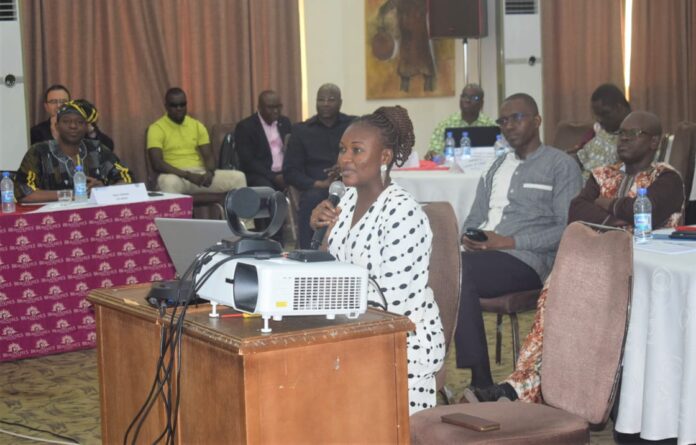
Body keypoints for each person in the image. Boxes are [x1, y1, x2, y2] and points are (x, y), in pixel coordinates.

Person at [465, 110, 684, 404]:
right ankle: (521, 385)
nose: (624, 139)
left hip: (642, 272)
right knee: (556, 292)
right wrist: (619, 216)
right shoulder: (602, 174)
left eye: (634, 134)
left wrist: (606, 204)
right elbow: (576, 211)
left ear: (654, 141)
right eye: (621, 133)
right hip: (594, 263)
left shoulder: (667, 178)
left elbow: (646, 210)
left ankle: (568, 391)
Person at [310, 106, 445, 414]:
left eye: (357, 150)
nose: (345, 159)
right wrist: (320, 232)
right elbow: (330, 268)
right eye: (342, 149)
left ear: (384, 156)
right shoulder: (346, 199)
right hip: (352, 328)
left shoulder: (402, 213)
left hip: (398, 343)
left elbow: (393, 307)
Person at [454, 93, 583, 392]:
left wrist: (508, 242)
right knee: (443, 268)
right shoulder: (494, 167)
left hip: (527, 260)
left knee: (458, 272)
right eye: (503, 120)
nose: (509, 125)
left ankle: (480, 380)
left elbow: (568, 229)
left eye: (517, 118)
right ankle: (430, 370)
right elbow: (474, 218)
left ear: (537, 120)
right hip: (482, 255)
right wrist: (469, 237)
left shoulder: (560, 165)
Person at [15, 100, 132, 203]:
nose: (73, 126)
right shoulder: (39, 151)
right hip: (53, 218)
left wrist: (103, 191)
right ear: (56, 126)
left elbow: (127, 178)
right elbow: (23, 192)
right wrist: (72, 195)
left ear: (86, 127)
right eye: (66, 121)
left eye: (80, 122)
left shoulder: (97, 149)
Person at [283, 83, 355, 249]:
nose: (326, 104)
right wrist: (318, 183)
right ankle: (308, 252)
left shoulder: (353, 126)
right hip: (316, 187)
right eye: (321, 100)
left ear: (340, 102)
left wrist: (344, 164)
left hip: (349, 183)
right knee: (312, 199)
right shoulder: (301, 130)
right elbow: (290, 171)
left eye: (331, 99)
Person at [147, 87, 246, 194]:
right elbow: (157, 163)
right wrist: (188, 175)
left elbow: (209, 157)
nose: (179, 108)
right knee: (169, 183)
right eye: (174, 105)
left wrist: (210, 173)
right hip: (174, 175)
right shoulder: (156, 128)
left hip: (199, 174)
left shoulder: (197, 126)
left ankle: (240, 206)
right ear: (166, 106)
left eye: (182, 104)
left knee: (239, 177)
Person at [571, 83, 631, 180]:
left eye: (605, 113)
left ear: (619, 108)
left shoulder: (637, 135)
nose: (600, 120)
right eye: (597, 115)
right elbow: (580, 157)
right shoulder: (605, 132)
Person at [30, 85, 115, 151]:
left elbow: (108, 147)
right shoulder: (36, 132)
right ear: (46, 106)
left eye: (63, 101)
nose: (59, 105)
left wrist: (91, 131)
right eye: (53, 102)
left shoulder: (81, 125)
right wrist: (55, 136)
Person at [235, 90, 291, 191]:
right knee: (267, 190)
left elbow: (292, 149)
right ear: (259, 108)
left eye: (278, 106)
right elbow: (248, 161)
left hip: (284, 172)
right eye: (270, 107)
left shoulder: (285, 122)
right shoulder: (246, 127)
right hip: (259, 174)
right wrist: (274, 177)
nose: (276, 111)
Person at [427, 83, 496, 157]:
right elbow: (434, 151)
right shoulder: (445, 124)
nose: (467, 100)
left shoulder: (491, 125)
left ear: (481, 103)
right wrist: (433, 155)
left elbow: (500, 153)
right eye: (464, 96)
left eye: (474, 98)